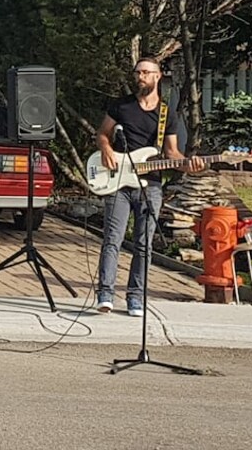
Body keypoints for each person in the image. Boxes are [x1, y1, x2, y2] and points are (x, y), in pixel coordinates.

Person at [95, 58, 205, 317]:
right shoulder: (121, 106)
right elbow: (102, 133)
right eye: (138, 72)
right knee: (113, 239)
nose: (140, 76)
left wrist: (189, 165)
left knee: (144, 243)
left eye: (146, 72)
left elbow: (172, 153)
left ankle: (135, 297)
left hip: (151, 184)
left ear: (158, 77)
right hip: (118, 182)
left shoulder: (168, 114)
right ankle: (105, 294)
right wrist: (106, 147)